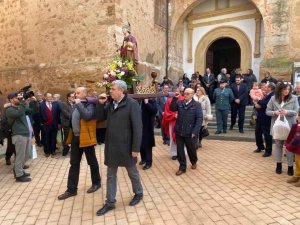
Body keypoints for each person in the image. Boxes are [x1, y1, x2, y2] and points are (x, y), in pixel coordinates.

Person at [96, 80, 143, 216]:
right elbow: (99, 117)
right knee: (111, 175)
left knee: (132, 172)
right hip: (111, 146)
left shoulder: (132, 105)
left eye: (113, 89)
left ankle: (138, 193)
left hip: (126, 147)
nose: (110, 91)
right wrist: (100, 103)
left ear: (121, 90)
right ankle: (110, 202)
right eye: (111, 89)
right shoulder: (110, 104)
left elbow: (138, 128)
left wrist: (136, 148)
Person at [58, 87, 101, 200]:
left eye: (78, 93)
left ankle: (96, 183)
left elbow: (87, 116)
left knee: (92, 161)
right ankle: (71, 189)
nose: (75, 95)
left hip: (86, 137)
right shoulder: (76, 104)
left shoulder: (89, 104)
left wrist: (79, 104)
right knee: (74, 163)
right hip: (76, 138)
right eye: (75, 93)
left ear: (85, 94)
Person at [266, 82, 299, 175]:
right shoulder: (273, 98)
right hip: (277, 126)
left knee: (289, 147)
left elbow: (296, 111)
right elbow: (267, 111)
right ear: (280, 89)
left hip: (290, 126)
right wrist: (275, 112)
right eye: (285, 89)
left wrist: (286, 112)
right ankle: (278, 165)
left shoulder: (294, 98)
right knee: (278, 146)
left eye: (288, 89)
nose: (287, 91)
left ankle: (290, 167)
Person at [6, 92, 38, 182]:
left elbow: (32, 111)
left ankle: (19, 170)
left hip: (26, 134)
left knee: (27, 154)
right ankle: (19, 175)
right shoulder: (9, 110)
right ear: (11, 100)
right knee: (20, 156)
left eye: (18, 97)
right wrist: (22, 102)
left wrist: (34, 102)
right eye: (16, 98)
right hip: (18, 135)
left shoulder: (21, 108)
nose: (18, 99)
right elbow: (19, 114)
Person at [170, 88, 203, 176]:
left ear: (192, 94)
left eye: (188, 94)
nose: (185, 95)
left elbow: (199, 119)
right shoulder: (179, 103)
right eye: (184, 93)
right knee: (180, 150)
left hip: (190, 132)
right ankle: (182, 167)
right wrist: (175, 98)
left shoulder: (197, 105)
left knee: (191, 149)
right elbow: (172, 108)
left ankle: (193, 161)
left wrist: (195, 131)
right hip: (179, 131)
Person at [253, 82, 275, 157]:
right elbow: (263, 103)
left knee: (267, 135)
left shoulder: (272, 95)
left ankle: (268, 151)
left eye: (266, 87)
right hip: (260, 117)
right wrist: (257, 105)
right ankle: (260, 147)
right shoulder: (266, 95)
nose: (264, 88)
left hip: (266, 118)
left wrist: (258, 102)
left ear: (270, 88)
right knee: (257, 132)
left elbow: (266, 104)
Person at [162, 87, 184, 160]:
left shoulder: (183, 99)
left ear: (180, 91)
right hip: (173, 121)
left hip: (182, 121)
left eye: (178, 91)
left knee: (181, 137)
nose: (176, 92)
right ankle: (174, 153)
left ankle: (181, 153)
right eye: (175, 91)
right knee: (173, 137)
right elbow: (167, 111)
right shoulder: (169, 100)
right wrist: (174, 115)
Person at [39, 93, 61, 157]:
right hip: (45, 125)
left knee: (53, 138)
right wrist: (41, 123)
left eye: (51, 96)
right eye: (48, 97)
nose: (50, 98)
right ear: (45, 97)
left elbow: (58, 115)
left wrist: (59, 123)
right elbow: (40, 115)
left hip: (54, 124)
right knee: (46, 138)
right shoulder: (41, 105)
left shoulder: (55, 104)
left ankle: (53, 150)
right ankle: (47, 151)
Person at [139, 98, 157, 170]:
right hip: (139, 126)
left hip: (147, 127)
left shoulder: (152, 101)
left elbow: (154, 111)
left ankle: (148, 162)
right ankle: (143, 159)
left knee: (147, 145)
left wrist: (147, 103)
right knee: (140, 144)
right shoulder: (139, 101)